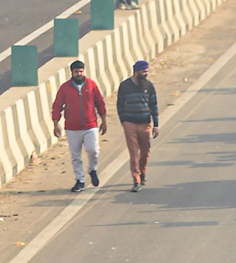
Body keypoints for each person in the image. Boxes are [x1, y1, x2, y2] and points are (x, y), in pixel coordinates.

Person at [51, 60, 107, 193]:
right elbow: (57, 106)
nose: (79, 74)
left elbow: (99, 102)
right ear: (72, 72)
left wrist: (104, 120)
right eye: (76, 72)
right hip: (72, 128)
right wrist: (55, 123)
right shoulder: (65, 88)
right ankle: (80, 180)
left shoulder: (91, 85)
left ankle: (92, 169)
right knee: (76, 155)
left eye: (81, 71)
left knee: (93, 150)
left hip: (90, 125)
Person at [116, 60, 158, 192]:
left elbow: (154, 105)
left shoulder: (149, 86)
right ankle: (136, 179)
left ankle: (142, 172)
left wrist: (156, 124)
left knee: (145, 151)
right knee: (133, 153)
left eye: (147, 71)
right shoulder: (125, 86)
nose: (146, 74)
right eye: (143, 71)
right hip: (130, 123)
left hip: (145, 123)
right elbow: (120, 105)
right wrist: (123, 121)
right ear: (136, 71)